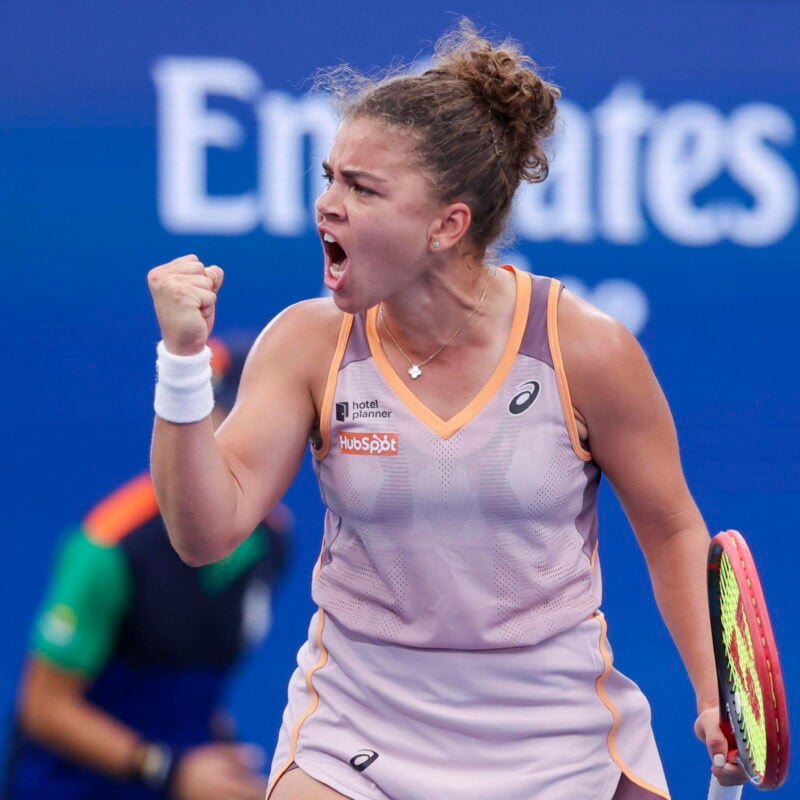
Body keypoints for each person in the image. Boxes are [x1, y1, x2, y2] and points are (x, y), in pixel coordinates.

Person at [145, 20, 748, 800]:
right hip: (358, 732)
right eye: (330, 178)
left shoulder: (584, 350)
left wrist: (713, 697)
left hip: (558, 736)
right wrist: (182, 364)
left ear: (447, 225)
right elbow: (203, 535)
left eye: (362, 188)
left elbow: (670, 529)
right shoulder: (305, 344)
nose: (327, 206)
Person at [2, 336, 291, 800]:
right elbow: (43, 706)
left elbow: (187, 678)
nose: (235, 437)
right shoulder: (110, 547)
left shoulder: (271, 541)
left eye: (257, 420)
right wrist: (168, 770)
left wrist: (215, 750)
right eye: (214, 417)